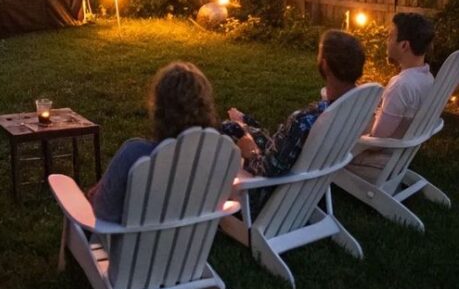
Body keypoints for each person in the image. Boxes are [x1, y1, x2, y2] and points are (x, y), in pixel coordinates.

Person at [220, 29, 365, 184]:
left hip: (267, 188)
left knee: (223, 135)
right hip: (309, 182)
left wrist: (250, 151)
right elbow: (282, 146)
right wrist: (245, 123)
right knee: (235, 127)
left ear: (325, 65)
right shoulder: (357, 108)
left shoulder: (303, 120)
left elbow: (267, 171)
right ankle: (240, 125)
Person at [89, 61, 219, 223]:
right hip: (193, 238)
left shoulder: (135, 154)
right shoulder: (217, 155)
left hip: (129, 238)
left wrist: (96, 195)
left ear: (159, 107)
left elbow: (103, 212)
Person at [348, 12, 435, 178]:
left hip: (380, 160)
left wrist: (350, 140)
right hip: (401, 153)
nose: (387, 41)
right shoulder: (427, 78)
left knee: (331, 140)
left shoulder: (401, 85)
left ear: (404, 45)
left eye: (390, 36)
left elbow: (376, 141)